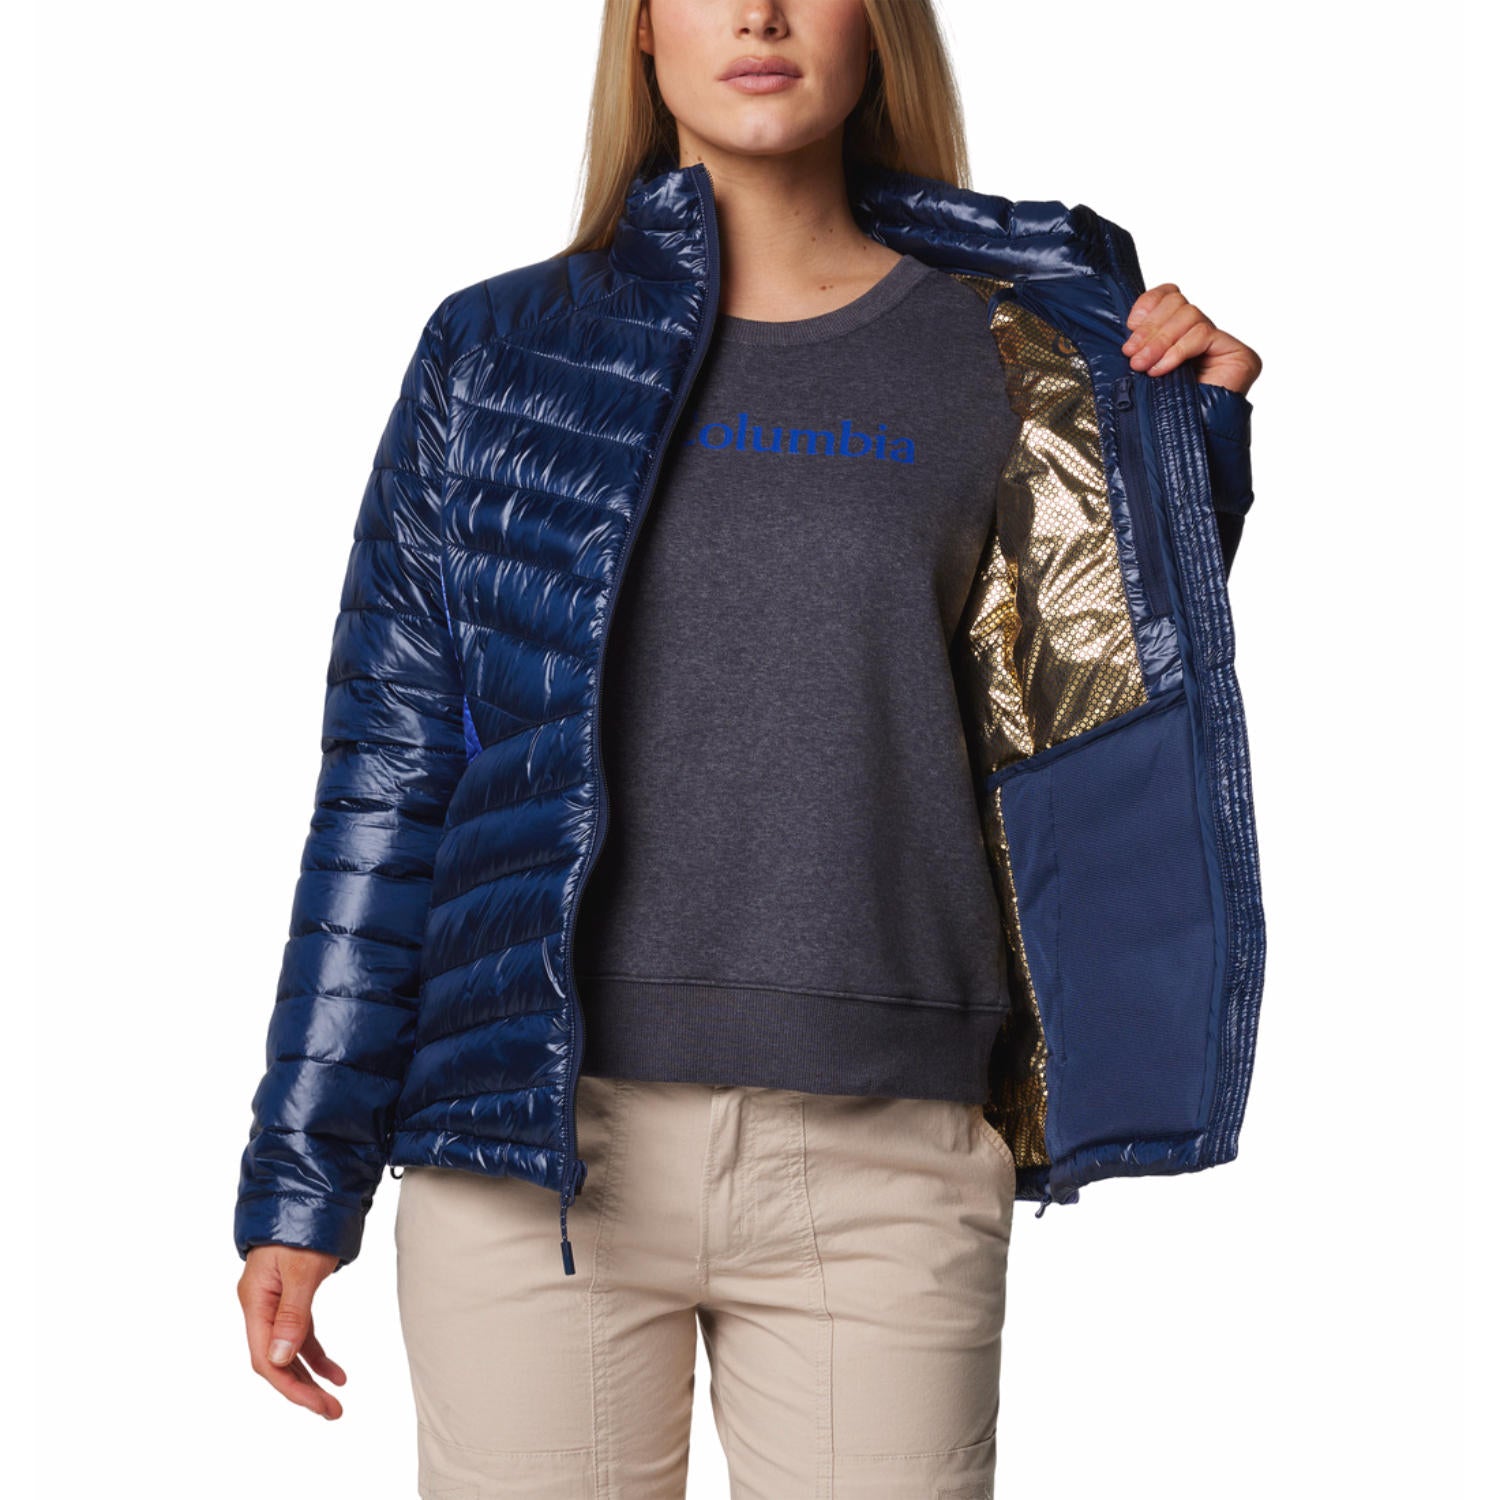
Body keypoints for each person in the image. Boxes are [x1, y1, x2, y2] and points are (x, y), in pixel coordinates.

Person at [234, 2, 1265, 1495]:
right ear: (644, 36)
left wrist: (1184, 450)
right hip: (535, 1157)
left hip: (890, 1154)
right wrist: (302, 1173)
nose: (762, 13)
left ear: (879, 30)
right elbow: (389, 770)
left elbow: (1082, 702)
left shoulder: (1018, 348)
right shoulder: (502, 350)